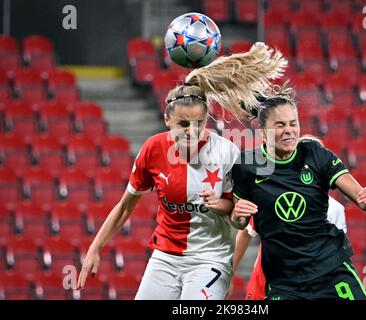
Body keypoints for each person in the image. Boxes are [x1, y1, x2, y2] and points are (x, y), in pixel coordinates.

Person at [75, 42, 288, 300]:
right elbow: (124, 207)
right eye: (183, 124)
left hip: (211, 258)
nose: (191, 130)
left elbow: (237, 217)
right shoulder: (153, 149)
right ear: (167, 120)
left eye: (198, 123)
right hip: (165, 258)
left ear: (208, 117)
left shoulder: (226, 152)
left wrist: (221, 205)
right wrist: (95, 247)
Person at [229, 83, 366, 300]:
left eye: (293, 123)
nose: (289, 130)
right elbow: (240, 223)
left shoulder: (315, 154)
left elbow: (361, 199)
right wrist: (237, 215)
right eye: (280, 125)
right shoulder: (246, 165)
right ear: (263, 131)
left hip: (330, 269)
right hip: (283, 279)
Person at [232, 135, 348, 300]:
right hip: (267, 278)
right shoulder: (268, 199)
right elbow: (245, 233)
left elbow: (337, 253)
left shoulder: (336, 209)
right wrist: (230, 272)